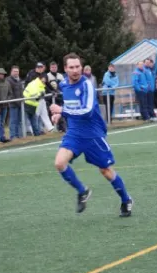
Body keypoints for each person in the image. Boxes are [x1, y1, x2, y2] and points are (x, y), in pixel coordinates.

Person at [50, 53, 133, 217]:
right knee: (59, 163)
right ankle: (82, 191)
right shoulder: (64, 84)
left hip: (93, 135)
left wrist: (62, 111)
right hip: (74, 134)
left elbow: (87, 111)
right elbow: (70, 103)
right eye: (71, 67)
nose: (75, 70)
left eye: (77, 66)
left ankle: (126, 199)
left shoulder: (87, 85)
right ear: (65, 69)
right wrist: (61, 115)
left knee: (106, 171)